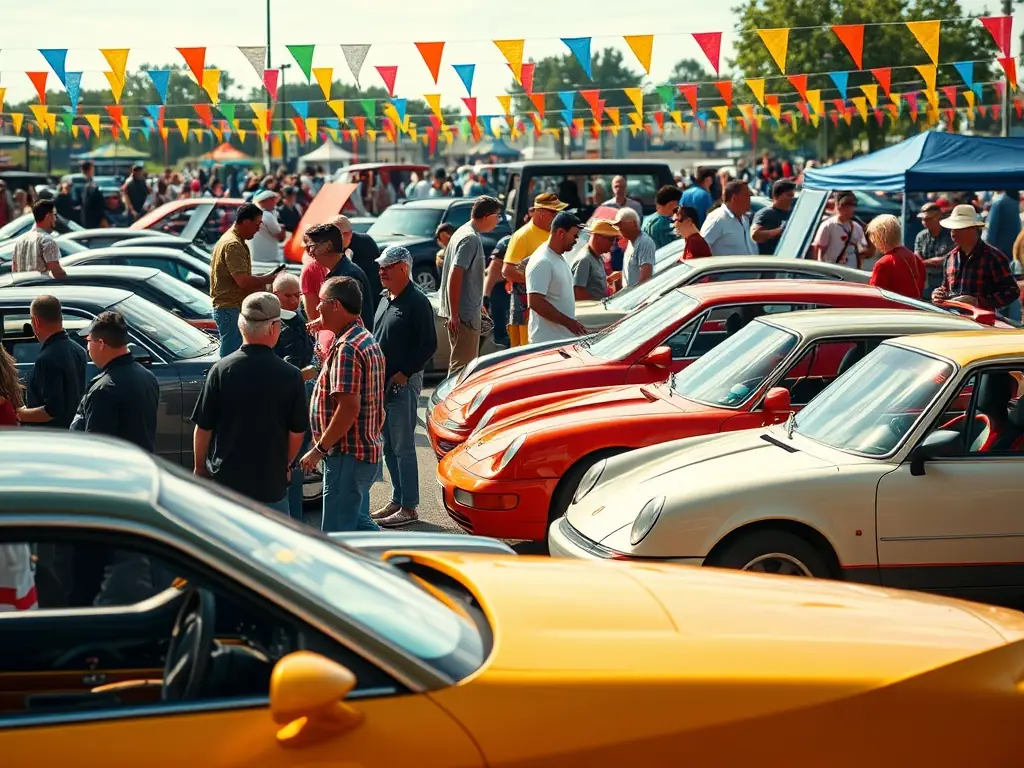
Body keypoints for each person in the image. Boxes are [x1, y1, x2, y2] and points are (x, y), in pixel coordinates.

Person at [192, 293, 308, 513]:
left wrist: (200, 467)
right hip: (270, 485)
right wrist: (285, 463)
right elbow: (297, 432)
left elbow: (203, 427)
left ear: (240, 324)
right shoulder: (290, 375)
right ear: (274, 328)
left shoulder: (221, 370)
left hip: (227, 483)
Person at [300, 276, 386, 532]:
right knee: (357, 524)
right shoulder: (363, 338)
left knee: (338, 534)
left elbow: (348, 407)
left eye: (322, 302)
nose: (316, 307)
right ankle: (398, 565)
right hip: (357, 453)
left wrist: (319, 449)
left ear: (336, 305)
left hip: (347, 455)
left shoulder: (348, 347)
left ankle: (403, 564)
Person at [370, 246, 437, 528]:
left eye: (387, 266)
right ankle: (398, 499)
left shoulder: (417, 301)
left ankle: (409, 506)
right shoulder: (387, 297)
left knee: (403, 447)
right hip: (381, 384)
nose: (381, 271)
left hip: (401, 385)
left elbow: (428, 345)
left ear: (403, 268)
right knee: (388, 446)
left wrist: (403, 373)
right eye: (381, 266)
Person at [70, 311, 159, 450]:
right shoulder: (148, 377)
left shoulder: (104, 390)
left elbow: (96, 448)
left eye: (88, 340)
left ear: (100, 343)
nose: (87, 348)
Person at [438, 196, 503, 373]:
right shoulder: (470, 238)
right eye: (497, 216)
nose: (498, 221)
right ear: (487, 215)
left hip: (464, 312)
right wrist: (455, 314)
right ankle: (449, 401)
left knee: (462, 367)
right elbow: (455, 274)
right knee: (461, 371)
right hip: (464, 316)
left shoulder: (463, 232)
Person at [271, 272, 317, 520]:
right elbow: (286, 369)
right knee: (290, 479)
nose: (295, 300)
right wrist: (305, 374)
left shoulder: (295, 319)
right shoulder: (281, 327)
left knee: (294, 477)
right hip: (288, 407)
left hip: (299, 404)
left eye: (297, 294)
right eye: (288, 296)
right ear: (276, 295)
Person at [209, 203, 279, 357]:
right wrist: (270, 279)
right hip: (230, 308)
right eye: (257, 224)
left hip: (230, 307)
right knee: (231, 356)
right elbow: (243, 281)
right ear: (246, 222)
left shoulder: (234, 240)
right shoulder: (233, 244)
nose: (258, 228)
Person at [502, 194, 566, 347]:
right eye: (553, 212)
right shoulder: (522, 236)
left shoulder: (553, 234)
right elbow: (507, 271)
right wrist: (537, 280)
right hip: (526, 310)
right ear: (540, 212)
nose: (557, 216)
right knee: (526, 354)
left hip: (549, 307)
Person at [931, 204, 1020, 312]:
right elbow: (945, 287)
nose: (953, 232)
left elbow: (1012, 292)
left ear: (973, 229)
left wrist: (978, 302)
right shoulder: (950, 257)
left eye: (958, 227)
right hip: (953, 320)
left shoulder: (993, 257)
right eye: (952, 228)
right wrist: (938, 293)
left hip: (983, 324)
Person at [17, 296, 87, 428]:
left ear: (36, 322)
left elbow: (52, 410)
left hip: (52, 437)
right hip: (74, 431)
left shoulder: (47, 359)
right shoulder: (78, 350)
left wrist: (21, 414)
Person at [526, 211, 587, 343]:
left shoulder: (558, 256)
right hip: (547, 343)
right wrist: (569, 323)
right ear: (560, 233)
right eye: (574, 236)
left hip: (560, 340)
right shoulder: (543, 261)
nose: (576, 241)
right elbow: (535, 302)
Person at [303, 222, 375, 331]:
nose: (310, 252)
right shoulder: (340, 271)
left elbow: (351, 319)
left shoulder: (348, 277)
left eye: (312, 246)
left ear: (327, 246)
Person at [864, 215, 926, 299]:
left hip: (893, 310)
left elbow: (875, 296)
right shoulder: (914, 257)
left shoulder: (883, 263)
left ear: (879, 237)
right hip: (915, 307)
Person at [811, 191, 873, 267]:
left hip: (851, 270)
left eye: (853, 205)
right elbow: (817, 249)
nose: (850, 208)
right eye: (846, 204)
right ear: (837, 205)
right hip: (831, 270)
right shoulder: (828, 225)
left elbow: (864, 251)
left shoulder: (856, 226)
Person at [700, 181, 758, 257]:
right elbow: (700, 248)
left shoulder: (744, 219)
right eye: (747, 196)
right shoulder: (718, 219)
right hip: (728, 268)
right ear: (734, 198)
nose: (750, 200)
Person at [11, 200, 67, 278]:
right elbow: (57, 272)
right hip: (41, 288)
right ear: (48, 216)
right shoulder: (47, 241)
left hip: (22, 288)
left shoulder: (20, 240)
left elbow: (14, 269)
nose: (55, 219)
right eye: (54, 215)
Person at [914, 202, 956, 299]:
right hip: (926, 281)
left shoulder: (950, 235)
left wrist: (924, 262)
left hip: (945, 281)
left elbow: (947, 259)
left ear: (938, 218)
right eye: (923, 219)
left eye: (928, 219)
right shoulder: (921, 236)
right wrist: (931, 261)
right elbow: (917, 259)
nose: (924, 221)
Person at [572, 219, 617, 301]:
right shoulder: (584, 260)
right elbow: (578, 293)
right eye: (611, 239)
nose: (612, 243)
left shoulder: (598, 257)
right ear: (597, 237)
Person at [614, 208, 657, 287]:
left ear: (633, 223)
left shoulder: (644, 242)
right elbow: (634, 270)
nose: (619, 229)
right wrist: (620, 274)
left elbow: (646, 278)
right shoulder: (631, 241)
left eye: (621, 224)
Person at [751, 179, 796, 255]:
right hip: (771, 261)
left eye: (792, 196)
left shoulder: (793, 213)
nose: (791, 198)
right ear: (776, 196)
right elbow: (755, 235)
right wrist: (780, 230)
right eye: (788, 195)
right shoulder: (765, 213)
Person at [484, 235, 512, 347]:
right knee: (503, 337)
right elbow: (492, 272)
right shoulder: (507, 242)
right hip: (501, 290)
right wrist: (485, 297)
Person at [249, 190, 286, 264]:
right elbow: (281, 237)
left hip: (254, 259)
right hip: (269, 259)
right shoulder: (267, 215)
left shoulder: (250, 215)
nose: (274, 201)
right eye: (272, 199)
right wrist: (282, 226)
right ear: (264, 201)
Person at [985, 190, 1021, 262]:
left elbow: (991, 232)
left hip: (998, 254)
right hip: (1012, 252)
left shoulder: (999, 203)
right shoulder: (1014, 203)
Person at [79, 160, 106, 228]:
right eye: (92, 169)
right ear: (89, 170)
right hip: (93, 221)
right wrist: (102, 218)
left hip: (90, 220)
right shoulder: (90, 186)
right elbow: (97, 203)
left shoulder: (89, 184)